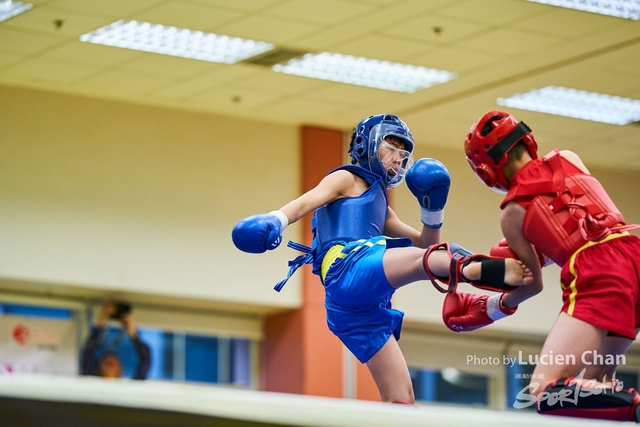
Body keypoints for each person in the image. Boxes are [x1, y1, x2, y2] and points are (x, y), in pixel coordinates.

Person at [232, 113, 532, 404]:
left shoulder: (381, 204)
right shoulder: (345, 178)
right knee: (430, 259)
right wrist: (277, 219)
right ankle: (485, 272)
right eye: (392, 148)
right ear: (367, 146)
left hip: (355, 307)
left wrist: (432, 210)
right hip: (347, 266)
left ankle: (489, 296)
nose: (398, 159)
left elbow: (428, 246)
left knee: (401, 397)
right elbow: (306, 201)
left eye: (404, 154)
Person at [462, 109, 640, 422]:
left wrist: (495, 305)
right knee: (596, 387)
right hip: (633, 251)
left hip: (601, 272)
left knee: (544, 390)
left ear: (487, 169)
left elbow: (532, 283)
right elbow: (581, 224)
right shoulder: (569, 157)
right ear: (527, 141)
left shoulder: (512, 214)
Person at [81, 299, 151, 380]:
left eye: (107, 362)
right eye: (111, 362)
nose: (109, 363)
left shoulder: (126, 390)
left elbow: (88, 351)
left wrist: (103, 317)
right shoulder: (90, 387)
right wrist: (134, 335)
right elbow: (146, 361)